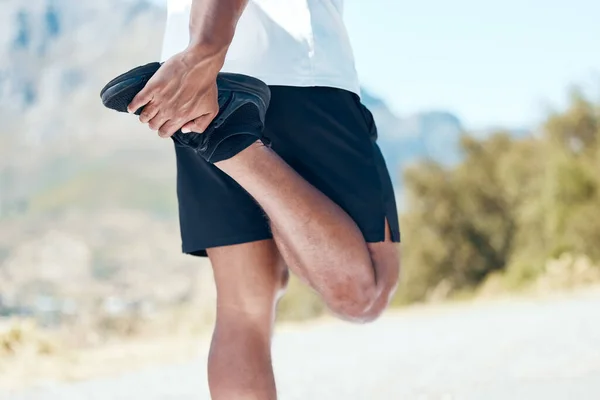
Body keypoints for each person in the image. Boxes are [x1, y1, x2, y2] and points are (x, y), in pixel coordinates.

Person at [127, 0, 401, 398]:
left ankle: (221, 135)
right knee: (365, 294)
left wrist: (199, 59)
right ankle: (234, 144)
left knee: (243, 309)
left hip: (191, 92)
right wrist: (206, 50)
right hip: (295, 66)